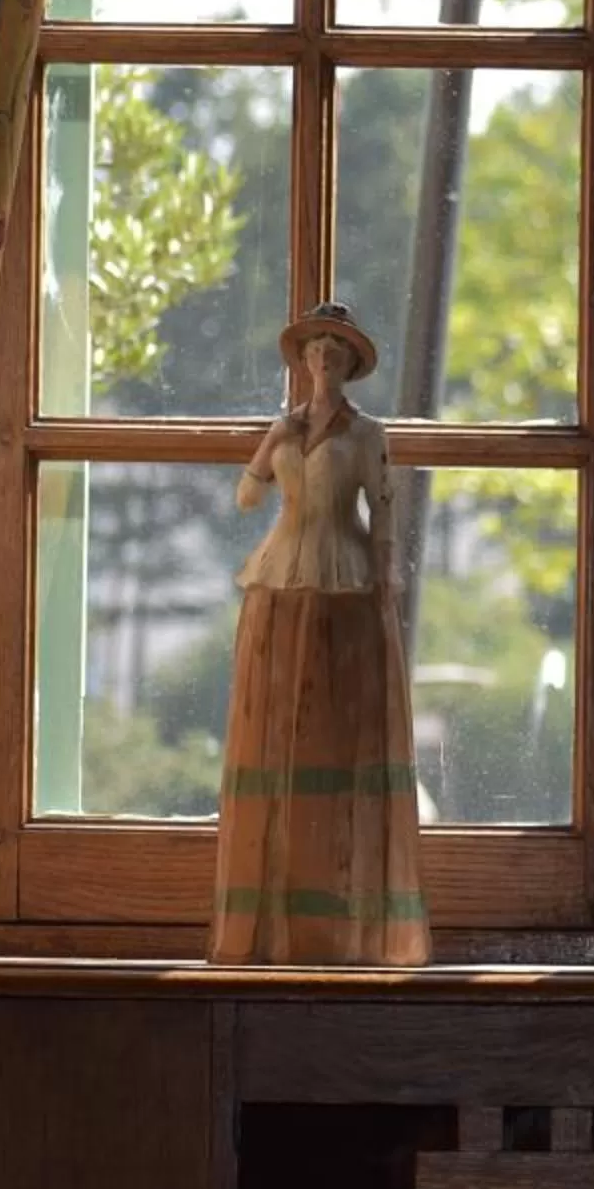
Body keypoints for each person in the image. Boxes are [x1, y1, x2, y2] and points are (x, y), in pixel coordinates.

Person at [209, 301, 430, 966]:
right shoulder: (287, 428)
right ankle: (266, 919)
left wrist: (387, 576)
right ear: (302, 361)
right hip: (280, 579)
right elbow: (247, 500)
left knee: (339, 735)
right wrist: (269, 442)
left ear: (349, 364)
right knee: (275, 734)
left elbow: (384, 511)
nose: (323, 361)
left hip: (345, 583)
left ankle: (343, 917)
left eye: (335, 352)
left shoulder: (367, 435)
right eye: (314, 351)